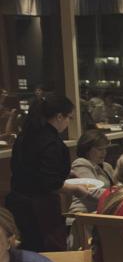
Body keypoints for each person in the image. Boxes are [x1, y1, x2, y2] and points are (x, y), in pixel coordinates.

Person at [6, 95, 89, 252]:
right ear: (59, 116)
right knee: (50, 250)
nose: (68, 123)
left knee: (29, 249)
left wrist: (67, 172)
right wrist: (76, 189)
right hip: (39, 207)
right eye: (69, 118)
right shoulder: (50, 142)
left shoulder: (26, 135)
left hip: (18, 201)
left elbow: (31, 168)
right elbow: (49, 183)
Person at [68, 130, 115, 216]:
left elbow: (117, 186)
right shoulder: (81, 163)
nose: (104, 152)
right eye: (100, 149)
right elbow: (92, 192)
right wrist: (119, 195)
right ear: (87, 149)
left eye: (105, 149)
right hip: (83, 216)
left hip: (101, 215)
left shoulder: (106, 166)